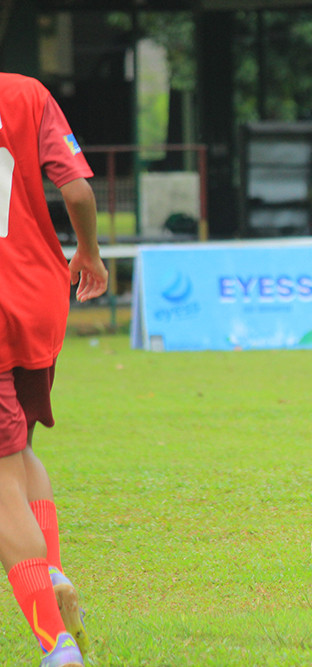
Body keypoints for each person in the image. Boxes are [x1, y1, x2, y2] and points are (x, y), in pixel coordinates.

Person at [0, 72, 108, 667]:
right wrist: (88, 252)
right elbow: (77, 192)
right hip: (35, 297)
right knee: (19, 451)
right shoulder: (25, 92)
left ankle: (55, 645)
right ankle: (52, 566)